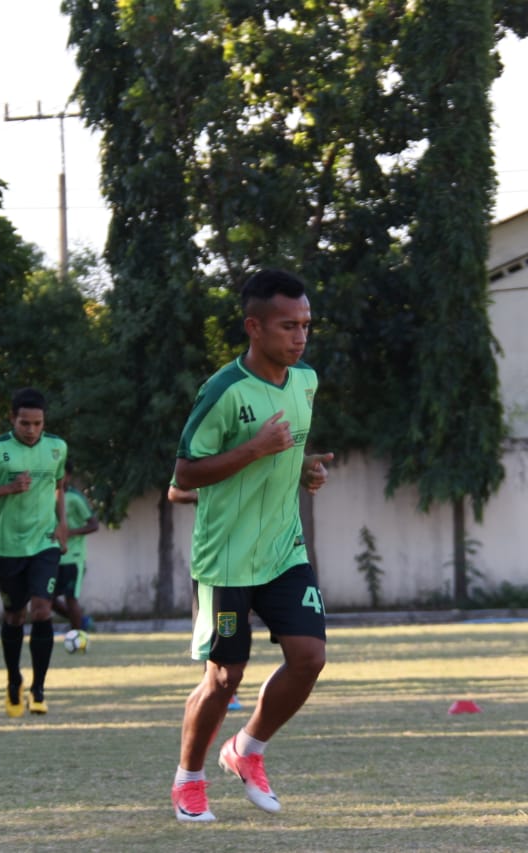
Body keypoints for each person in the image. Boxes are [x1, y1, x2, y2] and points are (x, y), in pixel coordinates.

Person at [168, 269, 334, 823]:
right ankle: (189, 781)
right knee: (223, 678)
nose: (300, 336)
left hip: (284, 548)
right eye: (288, 325)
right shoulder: (223, 391)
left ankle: (247, 750)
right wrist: (257, 449)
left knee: (309, 658)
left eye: (306, 325)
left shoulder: (306, 382)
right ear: (253, 327)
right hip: (227, 559)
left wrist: (305, 471)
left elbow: (290, 457)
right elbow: (185, 476)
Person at [0, 387, 68, 717]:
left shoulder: (57, 447)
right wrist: (8, 488)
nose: (32, 430)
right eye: (25, 423)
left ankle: (38, 689)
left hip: (45, 543)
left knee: (41, 610)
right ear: (12, 419)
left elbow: (59, 486)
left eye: (37, 423)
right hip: (8, 548)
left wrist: (62, 524)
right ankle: (13, 680)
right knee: (14, 616)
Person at [52, 460, 100, 637]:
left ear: (69, 476)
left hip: (73, 557)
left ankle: (78, 636)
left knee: (71, 599)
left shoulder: (75, 498)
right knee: (46, 598)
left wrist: (69, 532)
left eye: (61, 473)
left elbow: (94, 525)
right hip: (52, 556)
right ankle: (82, 621)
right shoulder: (46, 496)